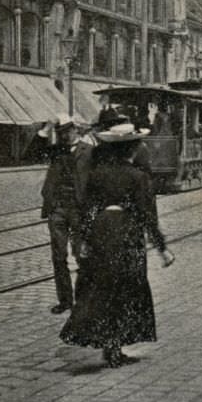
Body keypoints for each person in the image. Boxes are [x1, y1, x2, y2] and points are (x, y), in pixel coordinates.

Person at [60, 122, 174, 368]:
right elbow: (146, 215)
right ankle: (117, 345)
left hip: (101, 230)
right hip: (126, 232)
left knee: (103, 287)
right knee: (127, 288)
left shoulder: (97, 174)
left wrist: (84, 240)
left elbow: (87, 209)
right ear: (131, 149)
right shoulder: (138, 176)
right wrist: (161, 247)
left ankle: (110, 345)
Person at [40, 114, 95, 314]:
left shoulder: (89, 151)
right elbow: (29, 154)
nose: (63, 136)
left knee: (82, 254)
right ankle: (65, 300)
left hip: (79, 210)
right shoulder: (56, 152)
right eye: (60, 133)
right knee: (58, 255)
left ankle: (84, 299)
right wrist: (45, 129)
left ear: (75, 130)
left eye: (66, 131)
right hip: (58, 209)